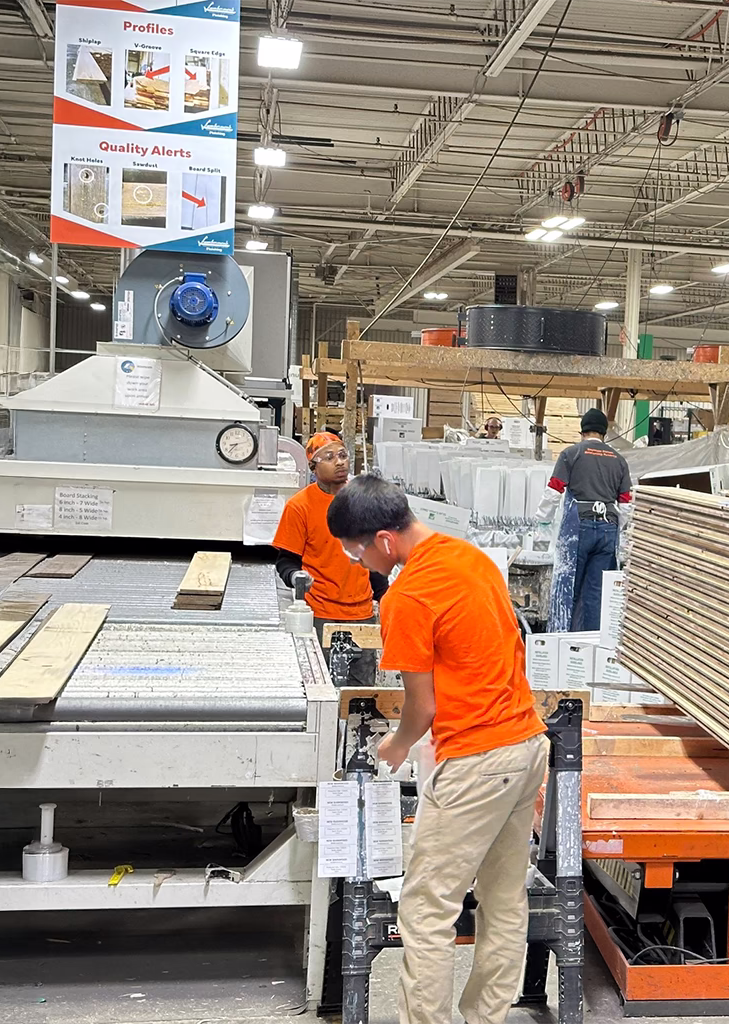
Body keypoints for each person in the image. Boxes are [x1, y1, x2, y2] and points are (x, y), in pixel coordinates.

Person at [326, 475, 548, 1024]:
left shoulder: (406, 596)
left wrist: (394, 746)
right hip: (525, 745)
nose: (358, 564)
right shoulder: (471, 558)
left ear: (383, 538)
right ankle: (486, 1017)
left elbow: (419, 709)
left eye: (356, 551)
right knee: (502, 900)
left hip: (477, 762)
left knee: (426, 910)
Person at [273, 432, 387, 679]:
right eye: (329, 457)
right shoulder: (300, 506)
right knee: (318, 684)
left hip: (362, 613)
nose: (339, 462)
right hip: (319, 613)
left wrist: (387, 598)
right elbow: (286, 560)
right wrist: (295, 577)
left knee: (359, 694)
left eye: (343, 455)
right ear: (313, 466)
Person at [543, 408, 632, 631]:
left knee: (569, 586)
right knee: (597, 593)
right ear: (604, 432)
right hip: (607, 531)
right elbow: (626, 505)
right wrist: (616, 528)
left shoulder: (571, 454)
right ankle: (591, 642)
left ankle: (566, 642)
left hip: (578, 528)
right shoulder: (619, 461)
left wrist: (541, 522)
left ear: (582, 431)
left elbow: (554, 491)